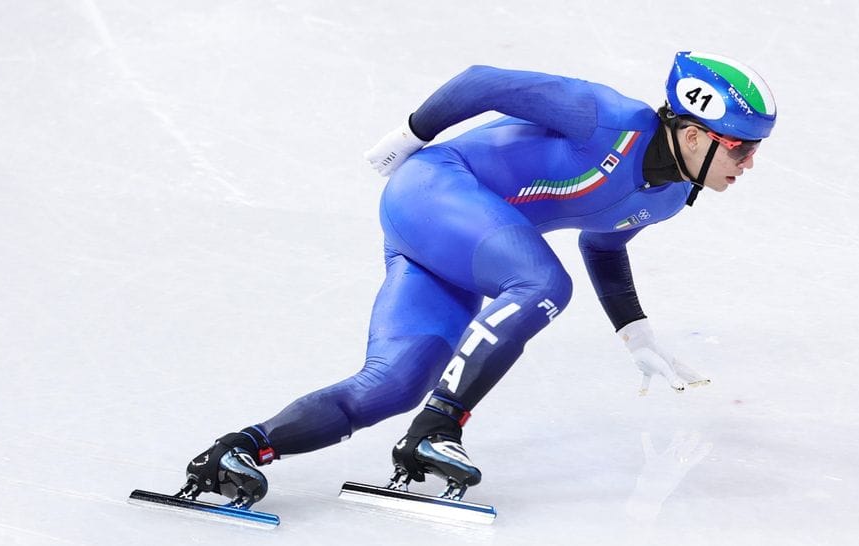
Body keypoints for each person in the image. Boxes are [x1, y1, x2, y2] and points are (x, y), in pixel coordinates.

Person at [178, 51, 777, 507]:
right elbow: (481, 83)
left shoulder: (671, 196)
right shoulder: (604, 117)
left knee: (391, 385)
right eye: (741, 149)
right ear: (695, 134)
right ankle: (439, 428)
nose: (749, 165)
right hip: (437, 188)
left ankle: (240, 449)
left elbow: (604, 244)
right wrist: (411, 135)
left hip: (458, 242)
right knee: (544, 284)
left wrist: (635, 332)